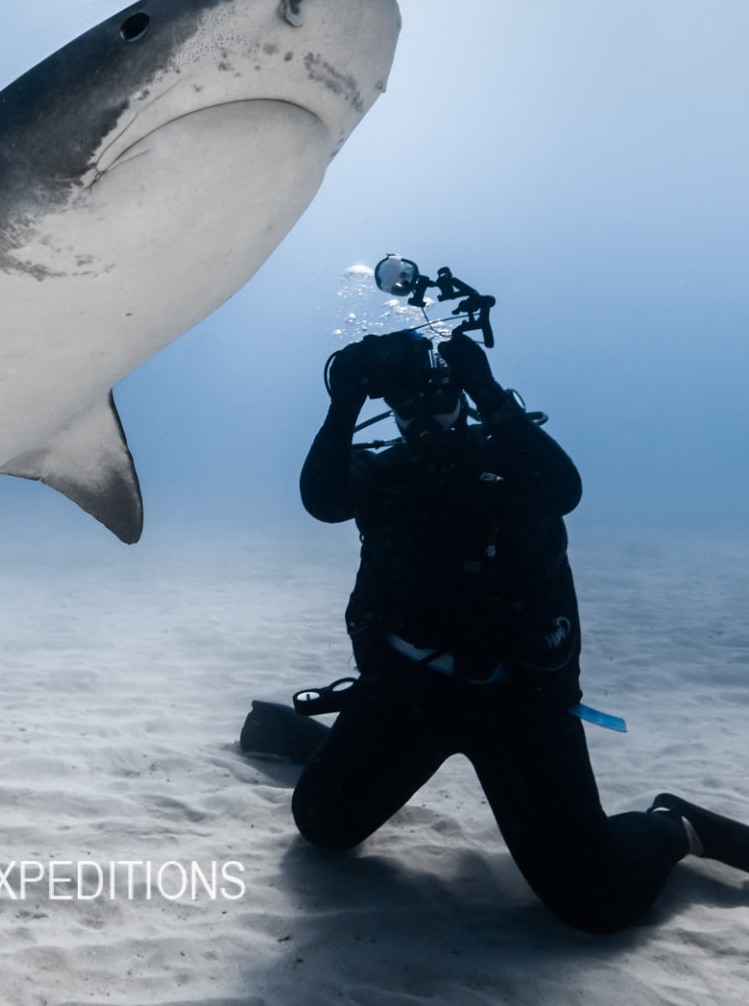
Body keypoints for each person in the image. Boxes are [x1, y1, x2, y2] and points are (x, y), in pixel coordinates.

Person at [287, 328, 697, 935]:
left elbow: (564, 490)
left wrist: (487, 388)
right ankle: (343, 757)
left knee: (597, 902)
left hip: (518, 703)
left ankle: (672, 824)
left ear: (462, 398)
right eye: (407, 405)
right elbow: (322, 500)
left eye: (440, 399)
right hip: (407, 694)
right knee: (322, 826)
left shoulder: (512, 459)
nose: (424, 417)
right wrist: (343, 401)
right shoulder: (384, 473)